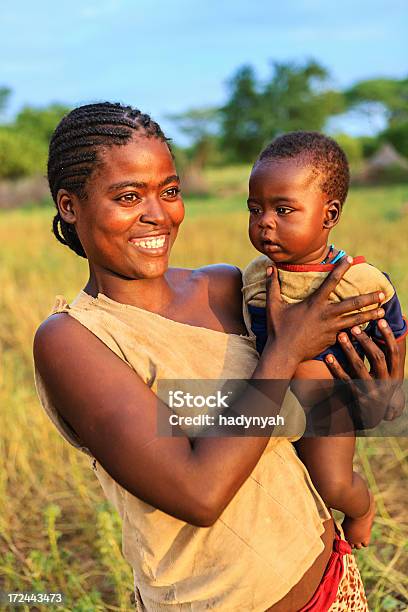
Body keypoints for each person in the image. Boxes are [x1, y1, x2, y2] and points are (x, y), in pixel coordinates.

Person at [33, 103, 400, 611]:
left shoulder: (227, 286)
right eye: (127, 196)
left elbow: (291, 425)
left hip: (332, 578)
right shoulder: (74, 339)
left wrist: (372, 402)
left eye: (169, 191)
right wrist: (288, 348)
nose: (157, 214)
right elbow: (199, 493)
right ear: (70, 206)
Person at [242, 131, 407, 551]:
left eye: (283, 210)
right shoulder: (253, 279)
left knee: (331, 483)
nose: (265, 222)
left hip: (326, 400)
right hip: (268, 398)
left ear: (328, 214)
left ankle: (362, 508)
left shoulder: (359, 281)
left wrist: (391, 390)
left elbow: (396, 331)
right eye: (255, 209)